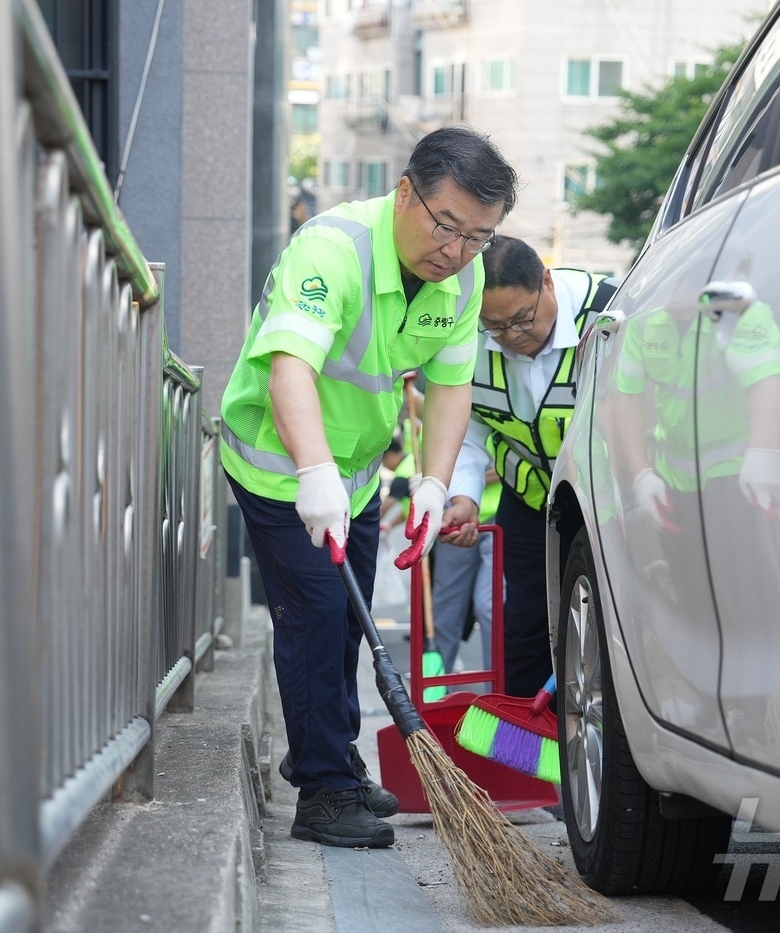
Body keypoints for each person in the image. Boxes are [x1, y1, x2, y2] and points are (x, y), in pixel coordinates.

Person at [220, 125, 519, 848]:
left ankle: (327, 755)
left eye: (477, 237)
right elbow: (291, 363)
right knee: (315, 617)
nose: (456, 251)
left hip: (352, 476)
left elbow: (450, 387)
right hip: (278, 464)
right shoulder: (334, 248)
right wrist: (313, 472)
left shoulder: (463, 278)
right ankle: (324, 794)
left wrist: (431, 482)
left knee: (350, 624)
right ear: (406, 193)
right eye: (447, 226)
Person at [439, 237, 618, 698]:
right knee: (523, 627)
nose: (513, 336)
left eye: (522, 318)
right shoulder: (469, 337)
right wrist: (464, 496)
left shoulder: (610, 317)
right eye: (495, 327)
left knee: (610, 627)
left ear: (546, 281)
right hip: (530, 500)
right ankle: (527, 752)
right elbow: (469, 428)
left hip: (606, 503)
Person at [429, 465, 501, 680]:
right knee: (444, 612)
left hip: (499, 518)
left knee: (491, 607)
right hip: (452, 520)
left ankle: (497, 696)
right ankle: (435, 694)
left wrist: (438, 483)